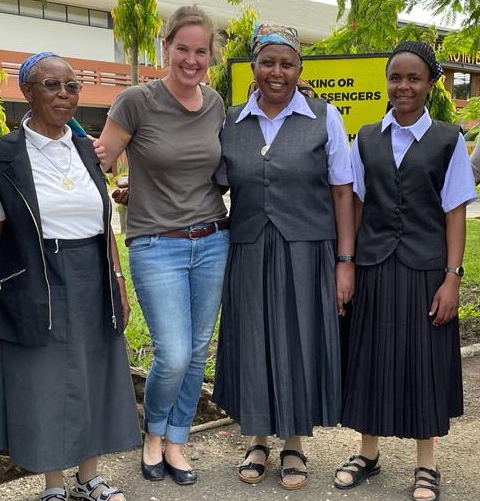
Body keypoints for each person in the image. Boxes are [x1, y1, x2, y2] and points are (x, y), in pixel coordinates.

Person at [0, 52, 142, 501]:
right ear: (27, 92)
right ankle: (54, 485)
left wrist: (118, 280)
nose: (64, 94)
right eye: (51, 85)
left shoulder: (89, 150)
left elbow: (103, 222)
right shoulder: (3, 155)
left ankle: (90, 477)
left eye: (72, 86)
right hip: (34, 275)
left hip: (93, 274)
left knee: (95, 374)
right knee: (45, 380)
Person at [212, 23, 355, 490]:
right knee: (254, 339)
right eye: (268, 62)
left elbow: (342, 194)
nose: (278, 71)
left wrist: (344, 261)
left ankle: (293, 442)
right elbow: (204, 183)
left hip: (308, 250)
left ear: (299, 68)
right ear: (253, 66)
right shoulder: (232, 121)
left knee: (298, 341)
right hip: (251, 248)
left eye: (287, 63)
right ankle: (257, 437)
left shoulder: (323, 116)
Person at [333, 41, 477, 501]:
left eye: (414, 78)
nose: (404, 86)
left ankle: (426, 464)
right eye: (396, 77)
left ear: (431, 84)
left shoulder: (448, 139)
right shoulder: (366, 137)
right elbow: (354, 204)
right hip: (374, 265)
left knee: (423, 362)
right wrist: (348, 264)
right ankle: (368, 453)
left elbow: (454, 211)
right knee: (370, 356)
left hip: (424, 269)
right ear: (387, 82)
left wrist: (452, 275)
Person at [94, 5, 229, 486]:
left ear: (209, 55)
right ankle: (153, 432)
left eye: (201, 51)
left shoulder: (215, 104)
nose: (192, 60)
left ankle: (177, 439)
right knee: (171, 353)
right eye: (183, 49)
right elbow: (102, 160)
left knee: (196, 351)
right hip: (156, 244)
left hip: (213, 239)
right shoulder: (136, 101)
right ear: (166, 47)